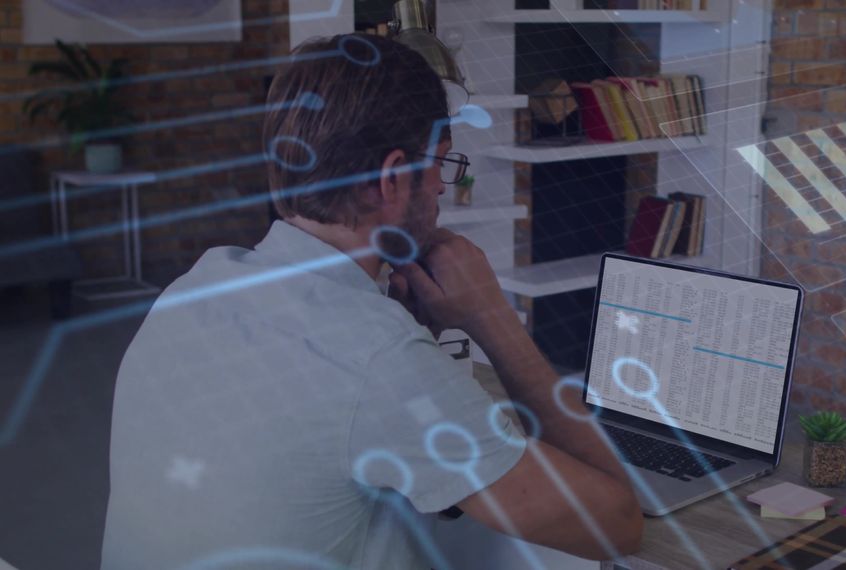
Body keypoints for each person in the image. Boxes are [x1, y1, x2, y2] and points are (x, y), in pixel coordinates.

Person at [101, 33, 642, 569]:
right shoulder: (379, 358)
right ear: (390, 177)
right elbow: (616, 525)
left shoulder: (194, 285)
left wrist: (406, 333)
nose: (440, 187)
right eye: (441, 163)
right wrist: (491, 315)